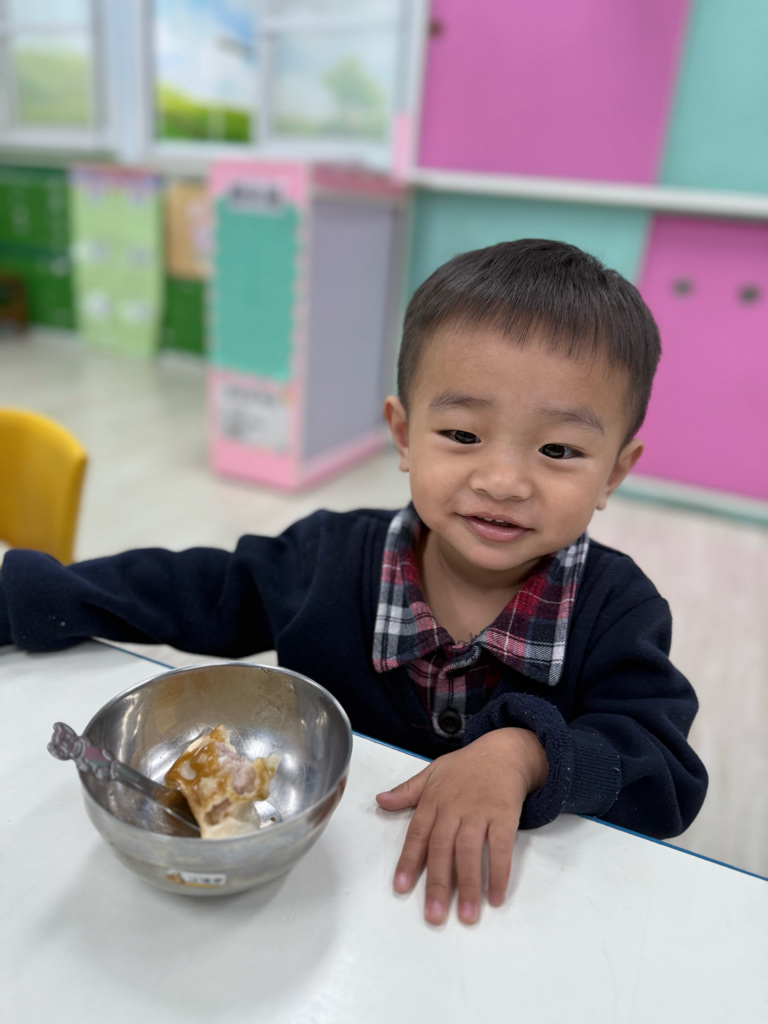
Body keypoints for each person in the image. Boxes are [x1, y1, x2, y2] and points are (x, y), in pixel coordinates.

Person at [0, 239, 707, 926]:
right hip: (319, 896)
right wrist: (29, 595)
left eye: (558, 449)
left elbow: (665, 774)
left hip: (507, 917)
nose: (503, 481)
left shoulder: (619, 609)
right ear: (403, 434)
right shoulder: (327, 560)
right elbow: (185, 589)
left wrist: (530, 754)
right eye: (463, 435)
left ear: (614, 472)